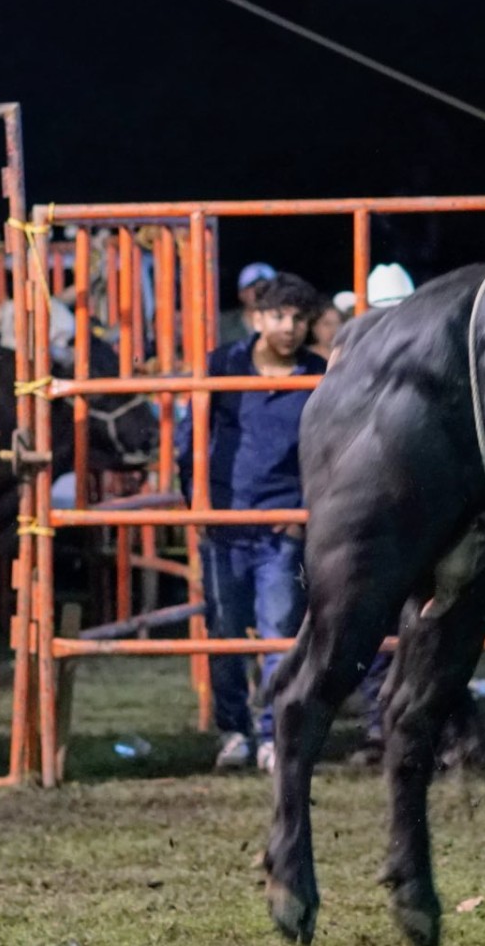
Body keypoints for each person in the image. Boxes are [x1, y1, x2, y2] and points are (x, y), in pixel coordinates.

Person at [179, 272, 327, 772]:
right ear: (257, 317)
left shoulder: (319, 374)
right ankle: (235, 731)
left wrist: (303, 513)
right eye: (279, 316)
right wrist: (196, 503)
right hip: (223, 522)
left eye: (299, 318)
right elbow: (190, 439)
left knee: (278, 631)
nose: (289, 327)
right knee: (224, 631)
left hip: (280, 526)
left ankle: (273, 733)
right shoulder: (222, 366)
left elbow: (328, 451)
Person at [217, 261, 277, 346]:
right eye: (253, 287)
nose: (260, 292)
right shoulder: (222, 325)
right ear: (241, 294)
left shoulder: (286, 323)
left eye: (266, 287)